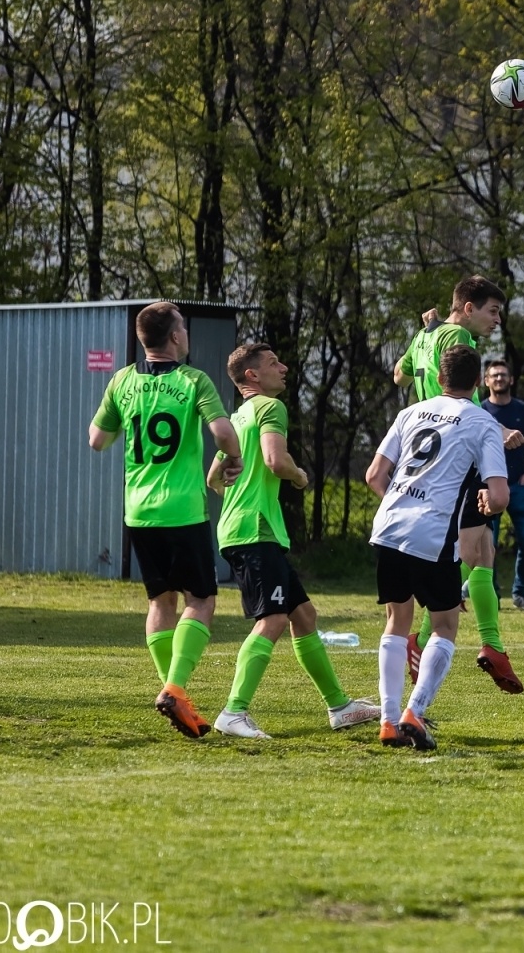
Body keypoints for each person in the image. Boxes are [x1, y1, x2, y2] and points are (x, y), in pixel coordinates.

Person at [204, 343, 381, 738]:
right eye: (273, 363)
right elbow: (275, 461)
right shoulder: (270, 407)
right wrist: (299, 475)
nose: (283, 368)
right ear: (252, 376)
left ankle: (339, 706)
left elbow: (212, 477)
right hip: (257, 530)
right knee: (273, 619)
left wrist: (229, 486)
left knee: (304, 617)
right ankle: (233, 712)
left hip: (241, 528)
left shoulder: (236, 417)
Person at [87, 301, 242, 739]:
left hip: (138, 510)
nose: (187, 334)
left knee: (160, 603)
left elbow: (97, 440)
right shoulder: (193, 380)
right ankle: (174, 688)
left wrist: (125, 418)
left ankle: (174, 693)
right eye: (183, 328)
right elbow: (223, 432)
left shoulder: (122, 381)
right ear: (174, 337)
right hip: (182, 510)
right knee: (201, 600)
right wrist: (234, 458)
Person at [366, 345, 510, 751]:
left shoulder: (409, 412)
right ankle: (415, 710)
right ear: (478, 382)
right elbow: (498, 496)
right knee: (444, 624)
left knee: (396, 621)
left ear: (439, 378)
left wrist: (400, 507)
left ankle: (388, 720)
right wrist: (487, 503)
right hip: (432, 533)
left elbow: (375, 474)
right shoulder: (482, 422)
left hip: (390, 527)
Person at [393, 276, 524, 695]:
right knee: (469, 552)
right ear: (468, 307)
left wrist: (423, 338)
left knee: (482, 550)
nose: (497, 321)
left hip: (424, 450)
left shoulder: (429, 334)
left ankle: (491, 645)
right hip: (454, 451)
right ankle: (429, 639)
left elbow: (399, 376)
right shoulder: (456, 336)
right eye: (492, 311)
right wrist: (495, 428)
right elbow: (454, 388)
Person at [482, 359, 524, 610]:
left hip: (518, 486)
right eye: (494, 375)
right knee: (488, 544)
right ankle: (491, 593)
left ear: (511, 380)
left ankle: (522, 593)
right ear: (486, 381)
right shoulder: (480, 410)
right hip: (489, 487)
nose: (499, 379)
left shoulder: (522, 409)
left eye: (503, 375)